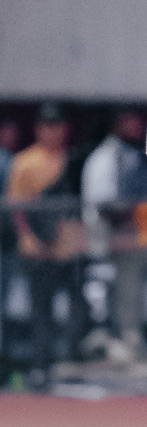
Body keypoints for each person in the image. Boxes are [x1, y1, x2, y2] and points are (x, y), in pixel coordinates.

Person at [5, 102, 85, 388]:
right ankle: (41, 368)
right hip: (36, 249)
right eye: (47, 126)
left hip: (69, 248)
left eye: (57, 125)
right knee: (41, 313)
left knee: (80, 308)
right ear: (38, 128)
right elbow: (16, 207)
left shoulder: (72, 160)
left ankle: (72, 362)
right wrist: (32, 236)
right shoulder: (25, 162)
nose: (53, 131)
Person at [81, 107, 147, 361]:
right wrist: (128, 216)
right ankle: (127, 347)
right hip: (116, 239)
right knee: (122, 297)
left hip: (135, 239)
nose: (138, 126)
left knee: (132, 296)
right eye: (132, 121)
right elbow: (103, 204)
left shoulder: (134, 154)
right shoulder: (107, 157)